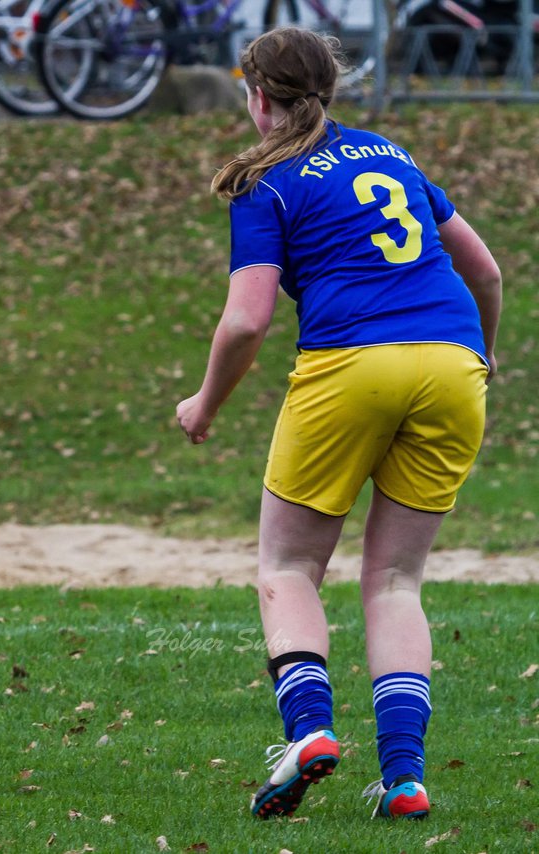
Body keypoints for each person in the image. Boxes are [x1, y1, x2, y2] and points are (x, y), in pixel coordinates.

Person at [176, 27, 502, 821]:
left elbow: (247, 321)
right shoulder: (393, 155)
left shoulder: (269, 179)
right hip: (453, 365)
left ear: (257, 97)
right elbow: (485, 269)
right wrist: (476, 360)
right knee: (394, 581)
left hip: (352, 363)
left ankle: (310, 734)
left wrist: (205, 404)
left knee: (287, 568)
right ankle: (403, 778)